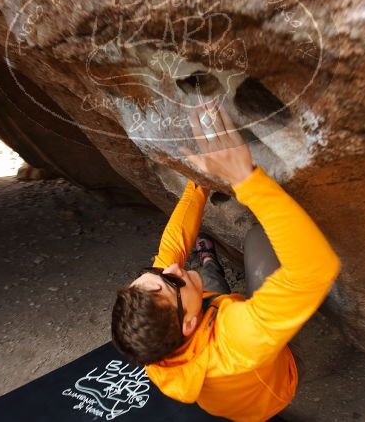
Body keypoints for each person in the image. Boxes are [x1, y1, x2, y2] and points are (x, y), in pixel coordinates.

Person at [111, 100, 341, 422]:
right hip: (273, 388)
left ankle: (209, 261)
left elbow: (173, 246)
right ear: (188, 324)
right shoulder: (237, 339)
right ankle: (262, 313)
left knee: (207, 279)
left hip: (211, 312)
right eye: (170, 280)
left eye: (153, 273)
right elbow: (315, 269)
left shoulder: (155, 342)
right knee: (259, 241)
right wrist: (244, 178)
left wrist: (200, 183)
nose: (172, 267)